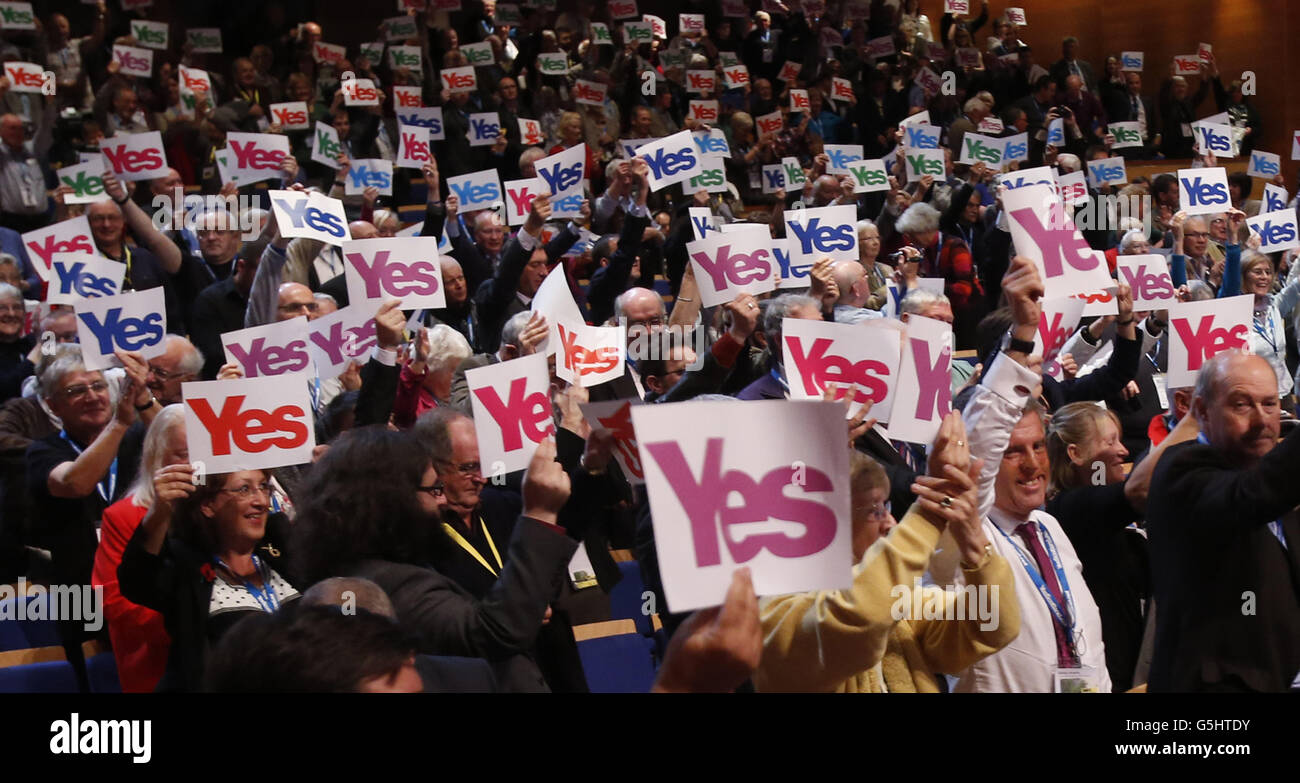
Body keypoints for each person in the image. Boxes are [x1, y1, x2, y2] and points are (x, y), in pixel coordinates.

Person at [290, 427, 582, 693]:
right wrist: (539, 513)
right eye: (433, 490)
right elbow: (494, 633)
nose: (442, 501)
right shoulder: (391, 583)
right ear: (392, 499)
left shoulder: (375, 564)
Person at [936, 257, 1112, 692]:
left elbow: (1086, 641)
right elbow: (978, 448)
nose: (1033, 464)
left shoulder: (1048, 526)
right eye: (1012, 452)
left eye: (1037, 446)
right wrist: (1022, 336)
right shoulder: (964, 533)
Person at [756, 413, 1020, 692]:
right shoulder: (773, 614)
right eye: (875, 510)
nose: (891, 523)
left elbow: (993, 625)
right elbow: (860, 616)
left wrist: (974, 541)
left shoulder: (901, 601)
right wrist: (931, 512)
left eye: (887, 507)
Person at [1146, 351, 1300, 691]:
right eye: (1242, 405)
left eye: (1270, 404)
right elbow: (1252, 496)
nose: (1262, 420)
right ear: (1201, 411)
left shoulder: (1264, 472)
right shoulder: (1181, 469)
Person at [1043, 401, 1197, 691]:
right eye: (1109, 442)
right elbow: (1140, 490)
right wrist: (1195, 417)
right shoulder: (1068, 511)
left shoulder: (1111, 517)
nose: (1123, 450)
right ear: (1075, 453)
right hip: (1105, 679)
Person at [118, 464, 300, 692]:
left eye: (263, 487)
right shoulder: (186, 565)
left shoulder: (280, 549)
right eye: (244, 489)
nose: (261, 501)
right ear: (208, 505)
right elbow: (136, 581)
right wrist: (159, 513)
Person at [91, 405, 187, 693]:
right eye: (183, 454)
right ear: (156, 459)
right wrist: (191, 623)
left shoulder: (229, 511)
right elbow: (114, 604)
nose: (196, 463)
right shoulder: (123, 517)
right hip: (159, 668)